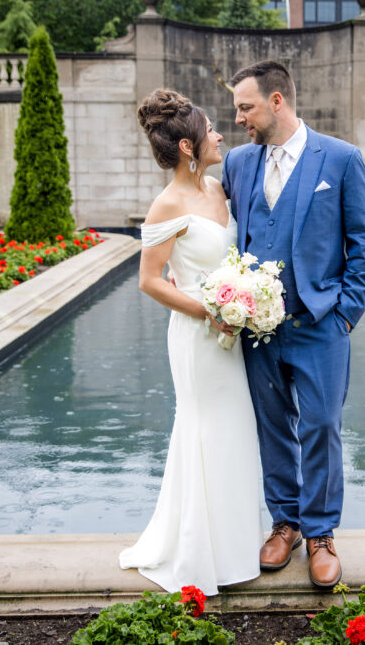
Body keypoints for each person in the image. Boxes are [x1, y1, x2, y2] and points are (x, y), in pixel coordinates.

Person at [222, 61, 365, 588]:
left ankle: (321, 534)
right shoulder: (239, 163)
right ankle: (285, 523)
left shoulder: (339, 158)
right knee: (272, 427)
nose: (238, 117)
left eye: (245, 106)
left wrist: (345, 317)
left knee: (321, 428)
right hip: (256, 331)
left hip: (320, 325)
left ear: (276, 101)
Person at [118, 89, 262, 596]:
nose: (221, 135)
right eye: (211, 130)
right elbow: (151, 281)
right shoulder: (166, 204)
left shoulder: (221, 189)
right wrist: (212, 311)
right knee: (203, 429)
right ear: (186, 146)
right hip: (198, 338)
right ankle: (200, 553)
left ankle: (238, 544)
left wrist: (245, 304)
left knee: (236, 428)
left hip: (232, 331)